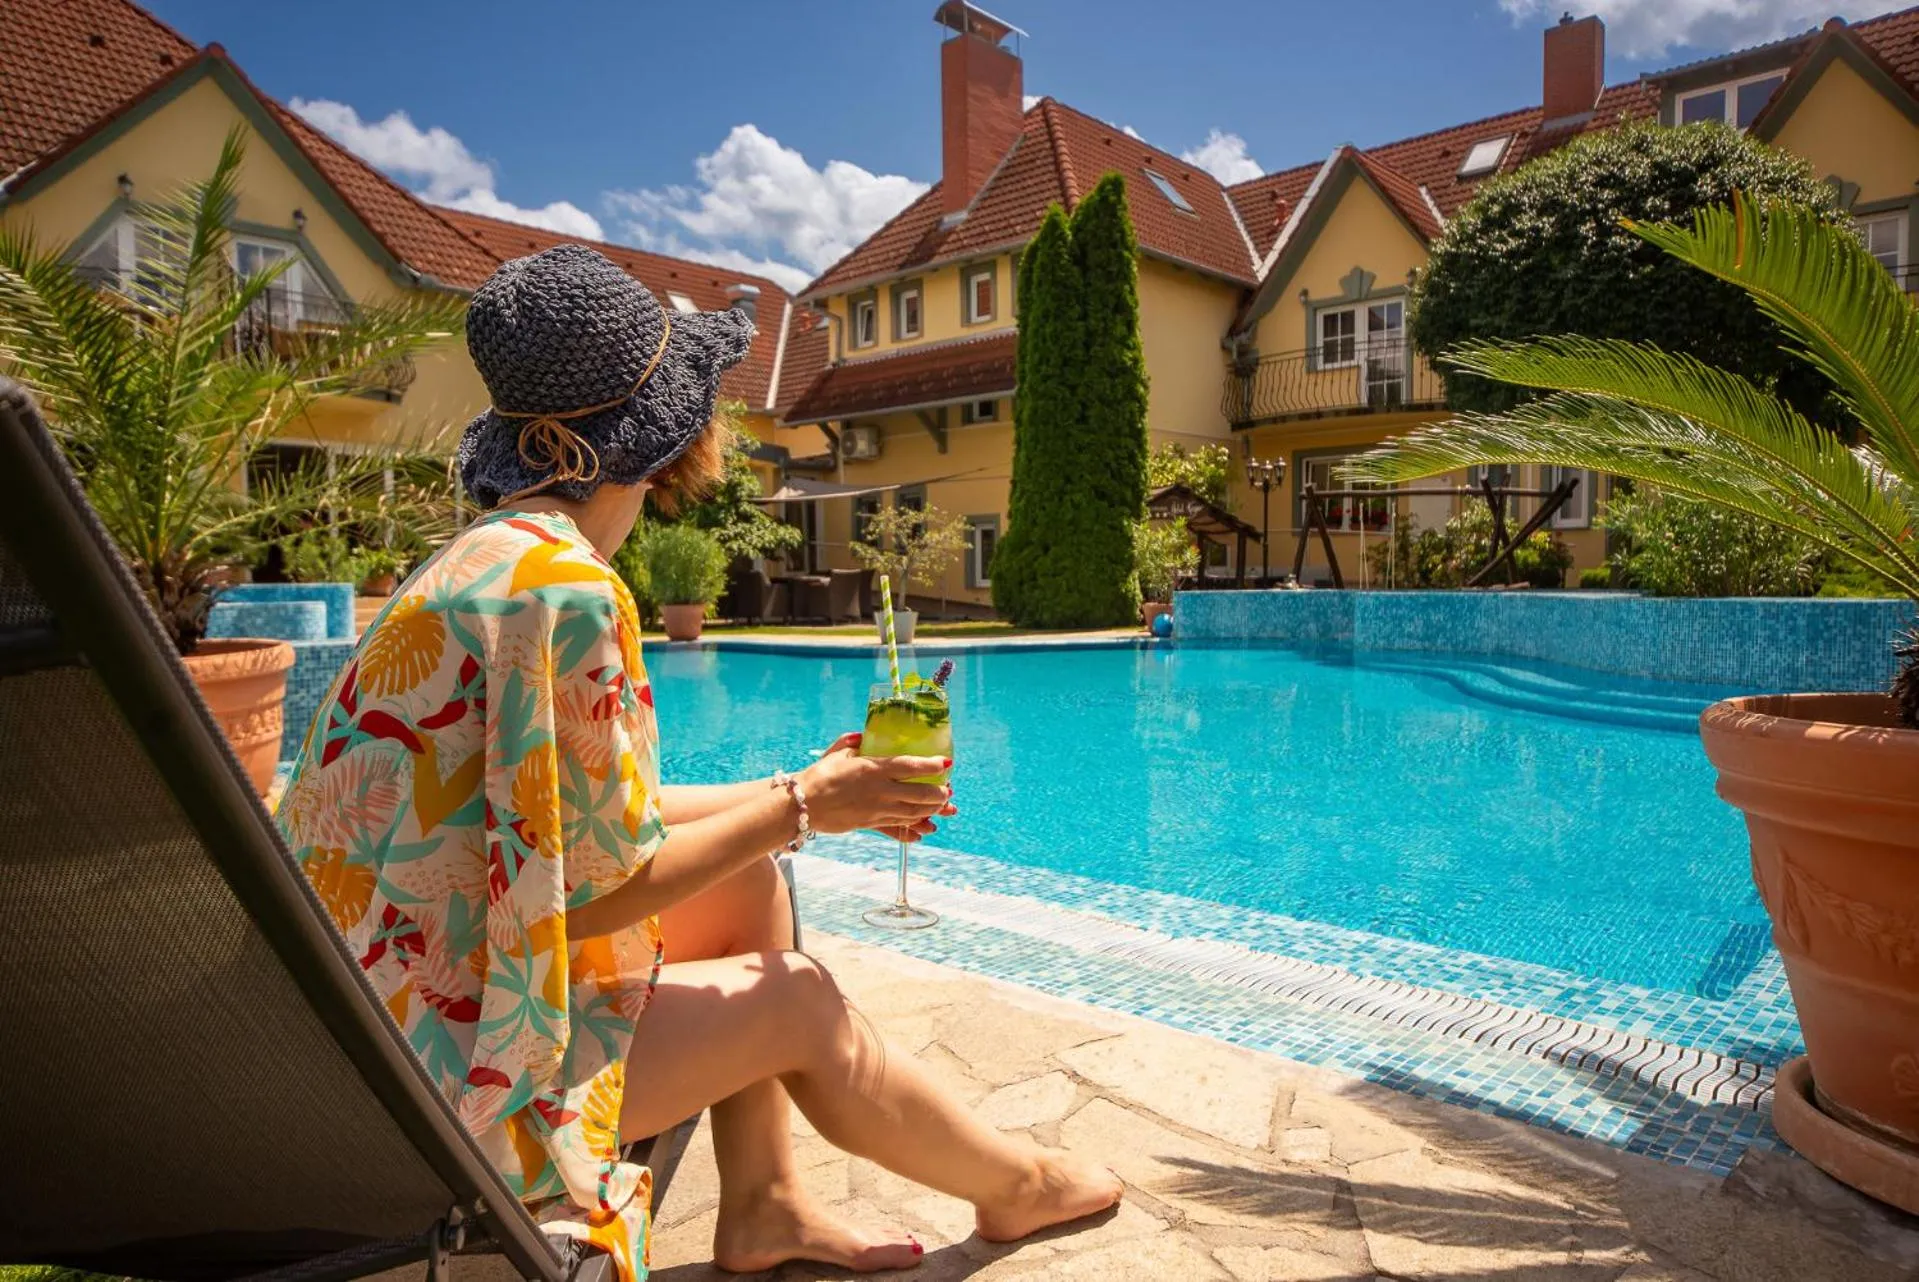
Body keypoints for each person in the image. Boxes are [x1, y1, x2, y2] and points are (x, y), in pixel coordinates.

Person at [277, 245, 1120, 1280]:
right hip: (447, 1082)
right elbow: (593, 894)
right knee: (800, 997)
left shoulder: (487, 561)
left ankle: (766, 1205)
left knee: (745, 883)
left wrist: (796, 793)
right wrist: (808, 805)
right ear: (654, 436)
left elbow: (566, 820)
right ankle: (1015, 1184)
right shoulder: (569, 593)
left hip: (360, 1036)